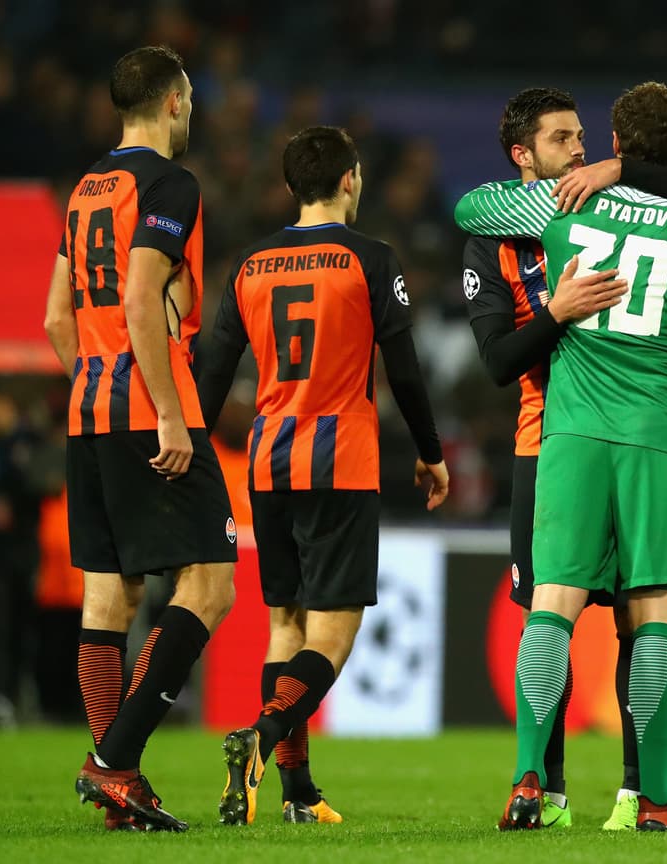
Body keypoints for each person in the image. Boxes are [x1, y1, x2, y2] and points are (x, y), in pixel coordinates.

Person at [456, 81, 667, 832]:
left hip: (570, 431)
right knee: (653, 617)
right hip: (657, 436)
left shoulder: (569, 201)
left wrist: (601, 181)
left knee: (551, 607)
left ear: (614, 145)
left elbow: (470, 210)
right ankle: (649, 800)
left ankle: (530, 782)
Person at [196, 125, 449, 825]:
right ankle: (261, 738)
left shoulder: (249, 265)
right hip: (340, 458)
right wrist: (431, 451)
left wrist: (189, 447)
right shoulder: (371, 259)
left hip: (268, 460)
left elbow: (213, 372)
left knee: (285, 622)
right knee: (332, 634)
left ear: (290, 187)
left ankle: (297, 793)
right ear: (349, 180)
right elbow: (403, 367)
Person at [42, 45, 237, 832]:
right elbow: (140, 294)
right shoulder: (169, 183)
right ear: (171, 103)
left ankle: (116, 779)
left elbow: (58, 318)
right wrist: (161, 408)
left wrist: (95, 383)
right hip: (148, 411)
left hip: (88, 409)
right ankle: (115, 761)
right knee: (211, 582)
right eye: (187, 99)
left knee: (109, 593)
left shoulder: (87, 188)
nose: (191, 111)